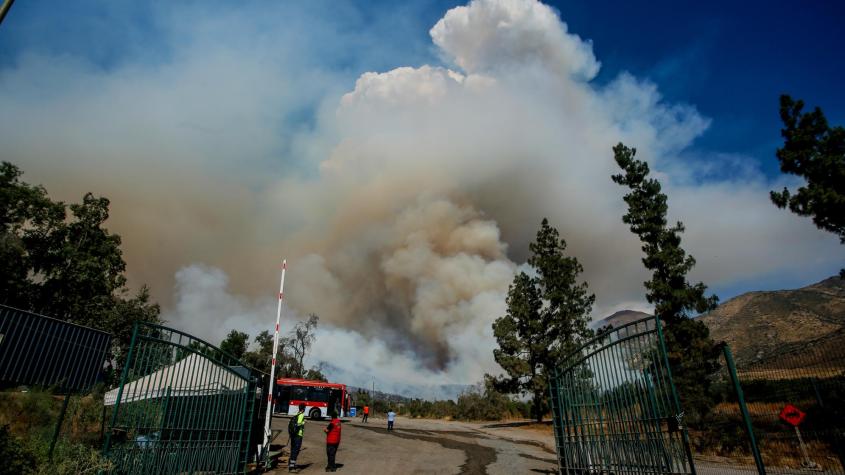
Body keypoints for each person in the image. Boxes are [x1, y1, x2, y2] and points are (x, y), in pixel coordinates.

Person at [289, 403, 306, 472]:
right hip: (298, 435)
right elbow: (298, 424)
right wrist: (303, 423)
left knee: (293, 449)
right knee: (296, 450)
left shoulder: (297, 414)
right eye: (304, 408)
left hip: (293, 435)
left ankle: (292, 464)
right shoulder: (301, 415)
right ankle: (292, 467)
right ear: (303, 409)